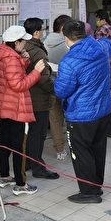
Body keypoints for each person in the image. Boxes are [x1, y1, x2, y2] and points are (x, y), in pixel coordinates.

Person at [54, 20, 111, 204]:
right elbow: (110, 44)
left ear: (66, 37)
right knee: (98, 148)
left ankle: (88, 192)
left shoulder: (69, 61)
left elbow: (62, 91)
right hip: (102, 109)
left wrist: (53, 78)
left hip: (81, 113)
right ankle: (96, 185)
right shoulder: (100, 47)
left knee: (81, 152)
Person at [0, 25, 45, 196]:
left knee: (4, 141)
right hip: (15, 107)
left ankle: (4, 176)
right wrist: (36, 72)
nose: (26, 44)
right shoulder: (12, 58)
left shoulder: (4, 54)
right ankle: (21, 184)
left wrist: (25, 59)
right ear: (16, 42)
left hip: (5, 105)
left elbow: (12, 75)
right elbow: (19, 84)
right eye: (23, 42)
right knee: (18, 145)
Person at [23, 18, 59, 180]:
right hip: (39, 99)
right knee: (38, 134)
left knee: (31, 133)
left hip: (28, 97)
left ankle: (29, 162)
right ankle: (38, 166)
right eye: (42, 30)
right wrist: (56, 90)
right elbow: (44, 78)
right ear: (37, 32)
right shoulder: (37, 51)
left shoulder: (25, 47)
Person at [44, 15, 72, 160]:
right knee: (71, 116)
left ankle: (60, 149)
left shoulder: (44, 43)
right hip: (68, 87)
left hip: (50, 85)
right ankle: (74, 144)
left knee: (54, 118)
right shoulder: (68, 46)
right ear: (63, 29)